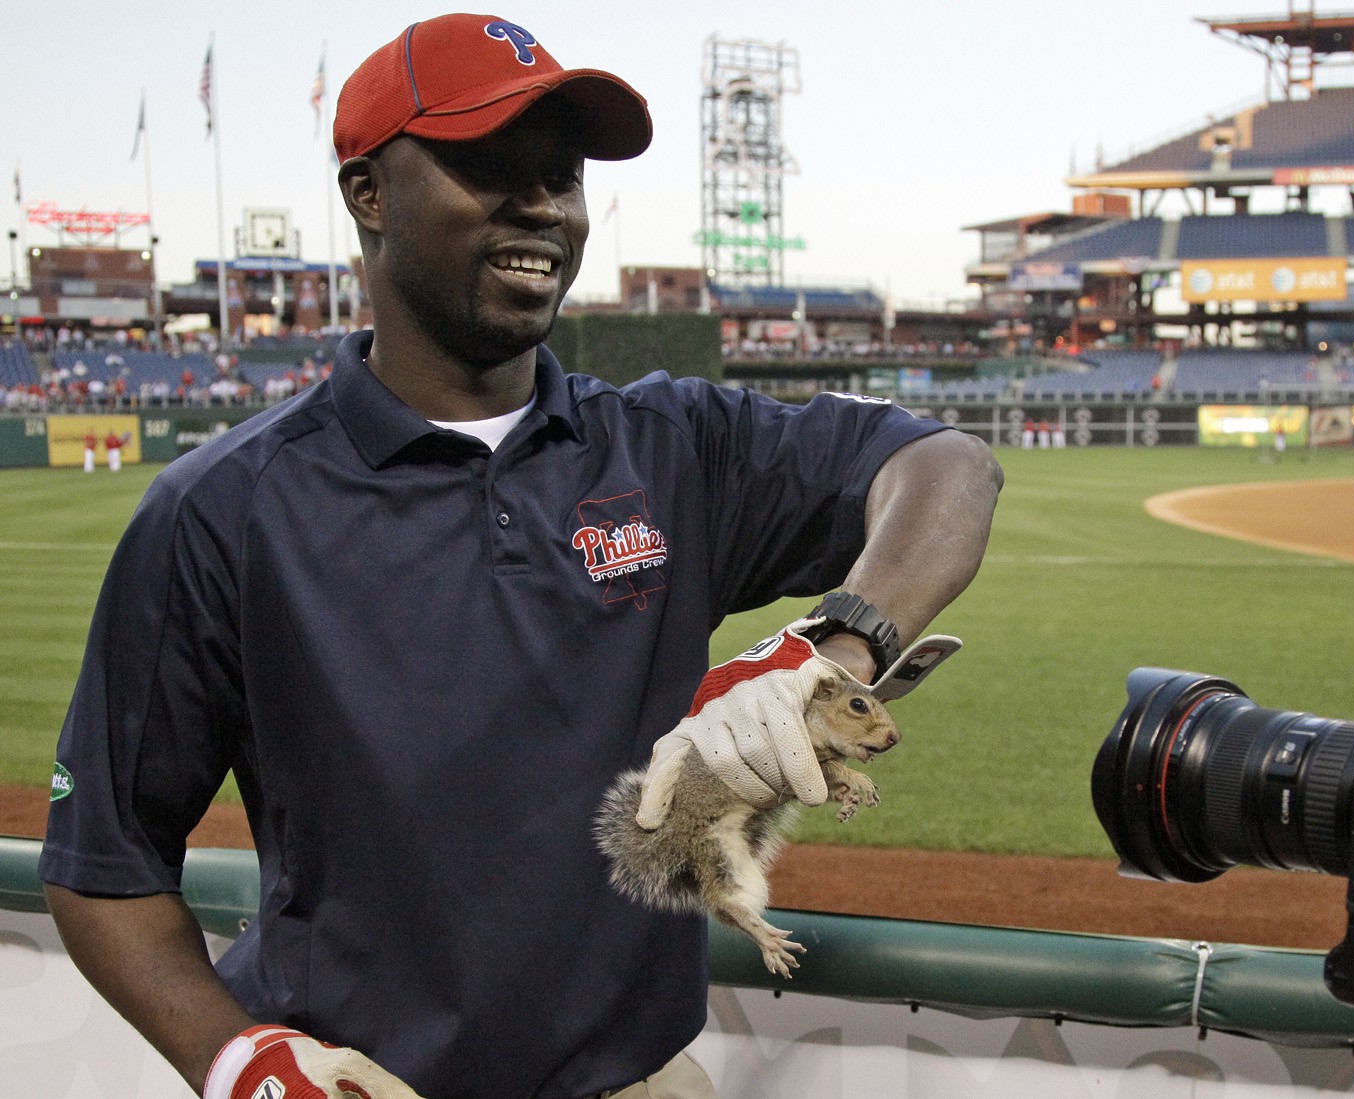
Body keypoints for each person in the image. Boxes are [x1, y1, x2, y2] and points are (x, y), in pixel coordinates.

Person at [40, 13, 1002, 1099]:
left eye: (562, 175)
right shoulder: (222, 511)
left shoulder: (674, 446)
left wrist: (841, 644)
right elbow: (102, 865)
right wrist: (240, 1061)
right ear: (367, 193)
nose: (541, 204)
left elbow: (949, 466)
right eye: (490, 166)